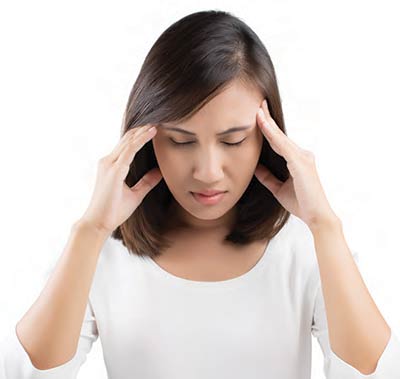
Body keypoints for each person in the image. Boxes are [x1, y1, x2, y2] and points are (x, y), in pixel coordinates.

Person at [1, 10, 400, 379]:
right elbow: (31, 371)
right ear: (146, 139)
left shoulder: (303, 247)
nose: (208, 172)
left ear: (269, 136)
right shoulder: (101, 253)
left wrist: (325, 225)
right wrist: (90, 229)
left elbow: (370, 371)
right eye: (180, 140)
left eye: (233, 140)